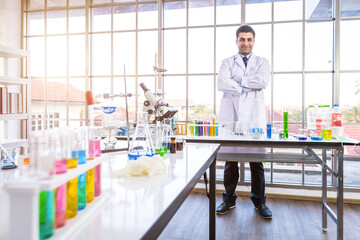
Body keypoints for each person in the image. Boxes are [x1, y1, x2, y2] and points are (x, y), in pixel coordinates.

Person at [216, 25, 272, 218]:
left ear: (254, 41)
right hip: (231, 116)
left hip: (254, 118)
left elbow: (263, 82)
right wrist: (248, 83)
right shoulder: (227, 62)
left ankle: (259, 202)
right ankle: (228, 200)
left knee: (257, 162)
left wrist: (237, 82)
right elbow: (221, 83)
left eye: (249, 39)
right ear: (237, 41)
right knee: (230, 161)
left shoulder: (262, 62)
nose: (245, 43)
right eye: (242, 39)